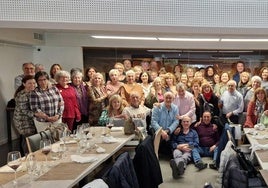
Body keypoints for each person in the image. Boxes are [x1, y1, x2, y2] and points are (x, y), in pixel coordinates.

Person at [151, 92, 179, 157]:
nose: (168, 100)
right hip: (157, 130)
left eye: (170, 98)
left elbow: (176, 121)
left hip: (169, 131)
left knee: (171, 146)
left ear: (173, 99)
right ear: (163, 98)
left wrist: (168, 130)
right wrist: (161, 131)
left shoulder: (175, 108)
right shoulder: (157, 107)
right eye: (166, 98)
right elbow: (154, 122)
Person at [13, 75, 37, 153]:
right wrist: (37, 114)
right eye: (29, 83)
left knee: (27, 139)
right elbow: (25, 111)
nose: (32, 85)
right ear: (24, 84)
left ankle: (28, 156)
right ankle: (28, 156)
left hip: (28, 120)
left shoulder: (31, 92)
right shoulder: (22, 95)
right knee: (28, 140)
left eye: (34, 83)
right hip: (23, 122)